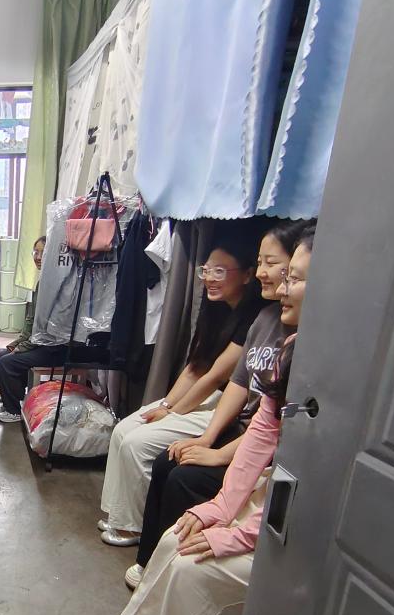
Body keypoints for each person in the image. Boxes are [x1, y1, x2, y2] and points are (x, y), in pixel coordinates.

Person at [84, 235, 312, 615]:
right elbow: (264, 431)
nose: (280, 285)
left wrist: (238, 532)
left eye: (292, 277)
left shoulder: (334, 372)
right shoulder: (286, 339)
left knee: (195, 567)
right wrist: (221, 508)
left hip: (289, 525)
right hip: (261, 495)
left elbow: (309, 484)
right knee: (177, 535)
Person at [125, 220, 314, 589]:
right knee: (166, 460)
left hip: (260, 454)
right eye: (261, 262)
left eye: (280, 268)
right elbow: (240, 389)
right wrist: (205, 437)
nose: (269, 276)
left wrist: (216, 452)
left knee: (182, 476)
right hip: (242, 433)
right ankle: (149, 561)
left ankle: (167, 567)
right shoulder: (265, 320)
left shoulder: (303, 349)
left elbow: (262, 422)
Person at [99, 236, 267, 546]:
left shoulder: (254, 319)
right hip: (204, 398)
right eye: (206, 270)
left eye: (219, 271)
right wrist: (165, 404)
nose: (209, 278)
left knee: (137, 444)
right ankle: (118, 513)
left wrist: (173, 412)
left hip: (222, 405)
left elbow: (214, 377)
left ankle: (133, 526)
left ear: (247, 275)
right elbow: (194, 368)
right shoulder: (213, 310)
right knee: (122, 430)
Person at [0, 236, 61, 423]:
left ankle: (14, 411)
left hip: (53, 348)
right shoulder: (42, 281)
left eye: (42, 252)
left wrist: (23, 347)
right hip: (39, 343)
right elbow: (31, 321)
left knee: (7, 362)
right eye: (35, 252)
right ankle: (10, 402)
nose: (37, 257)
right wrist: (16, 343)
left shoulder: (55, 283)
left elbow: (45, 328)